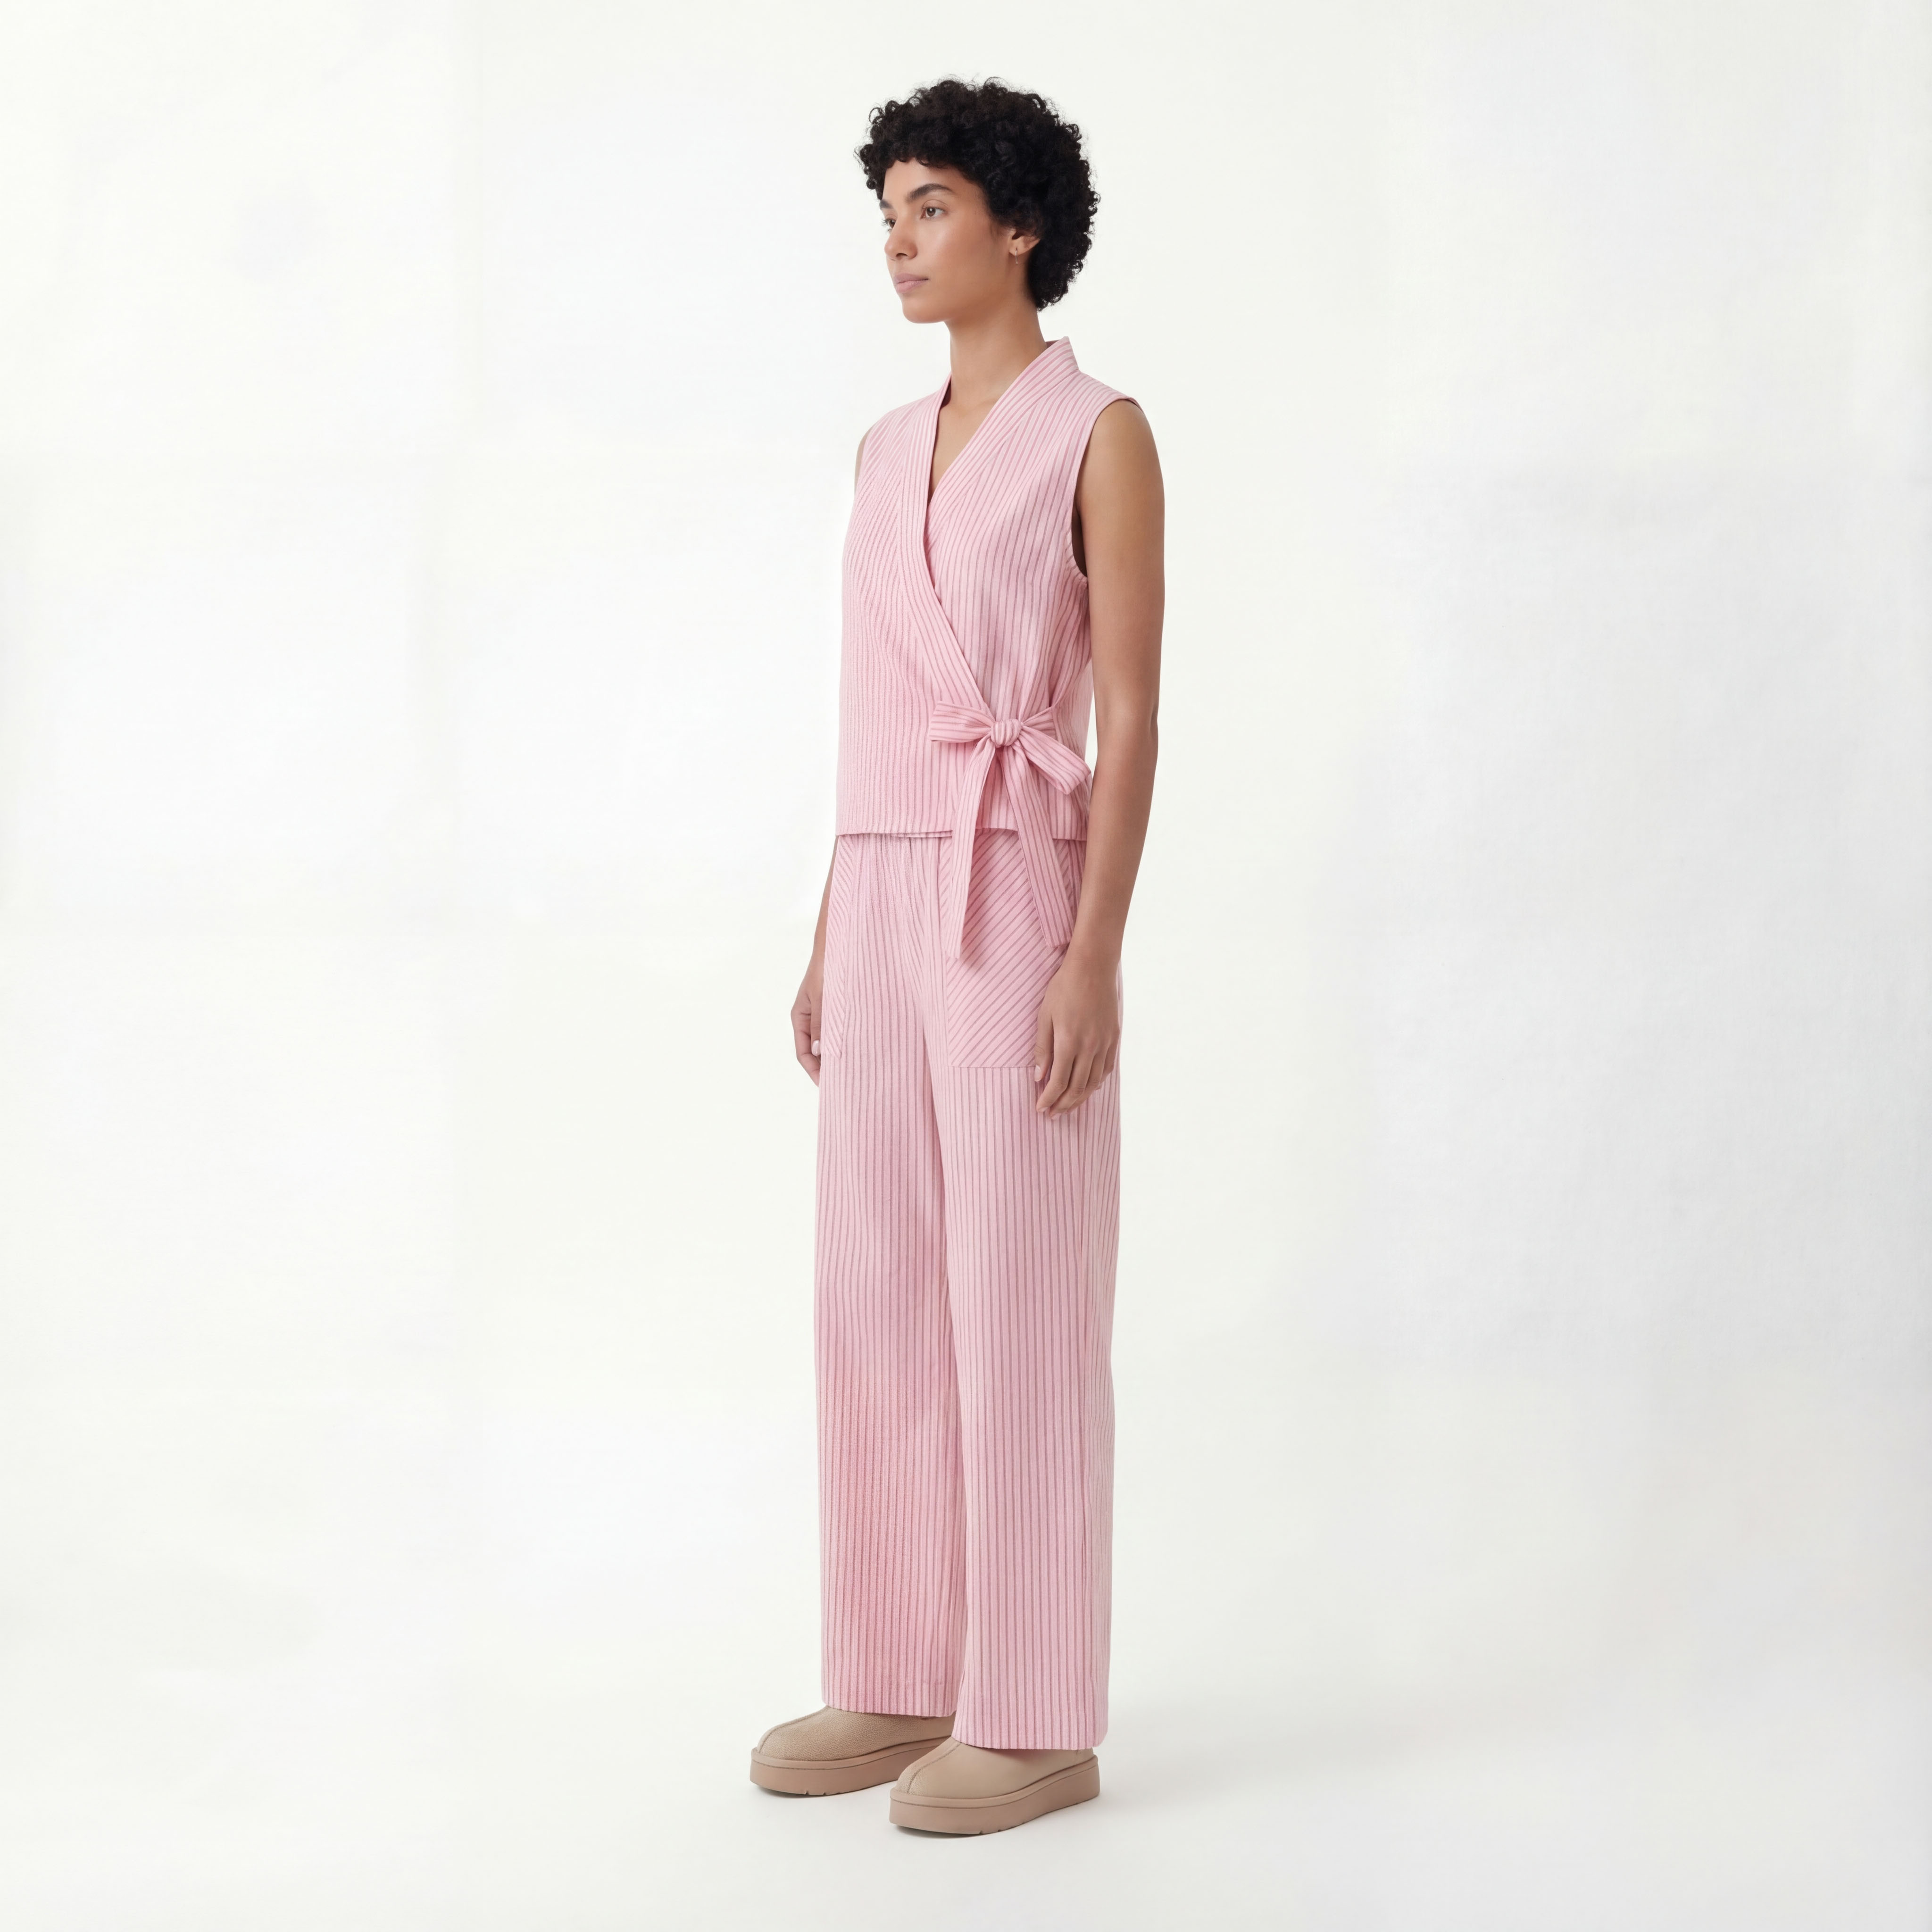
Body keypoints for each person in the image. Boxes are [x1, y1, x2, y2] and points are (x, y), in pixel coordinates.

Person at [749, 77, 1164, 1836]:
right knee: (875, 1289)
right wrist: (831, 930)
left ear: (1019, 225)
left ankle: (1038, 1711)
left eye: (931, 209)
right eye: (889, 214)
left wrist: (1096, 955)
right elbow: (869, 712)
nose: (901, 243)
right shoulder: (876, 451)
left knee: (1022, 1299)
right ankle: (900, 1667)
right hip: (882, 890)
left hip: (1021, 892)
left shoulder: (1101, 434)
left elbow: (1130, 714)